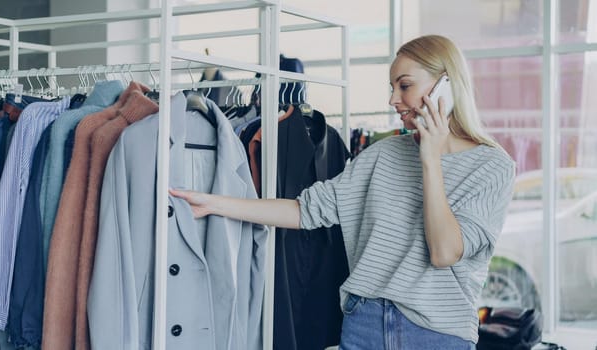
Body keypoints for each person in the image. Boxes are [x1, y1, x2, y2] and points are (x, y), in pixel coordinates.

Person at [170, 34, 516, 350]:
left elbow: (443, 252)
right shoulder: (384, 155)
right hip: (364, 326)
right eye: (392, 86)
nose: (393, 99)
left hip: (437, 335)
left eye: (404, 85)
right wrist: (216, 203)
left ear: (447, 86)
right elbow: (306, 210)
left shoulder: (492, 167)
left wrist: (430, 160)